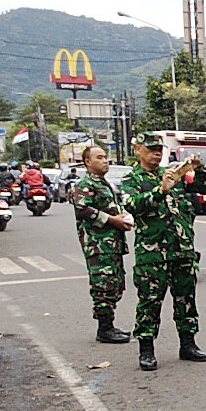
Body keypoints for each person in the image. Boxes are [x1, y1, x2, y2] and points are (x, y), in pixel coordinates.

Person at [122, 132, 206, 371]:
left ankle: (188, 343)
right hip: (152, 254)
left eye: (159, 149)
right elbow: (133, 205)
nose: (156, 153)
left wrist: (198, 168)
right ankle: (146, 349)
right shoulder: (132, 179)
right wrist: (161, 191)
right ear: (138, 150)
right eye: (150, 149)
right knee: (150, 302)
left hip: (182, 251)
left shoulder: (175, 175)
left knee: (186, 299)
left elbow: (204, 187)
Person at [72, 146, 133, 344]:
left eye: (106, 157)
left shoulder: (104, 184)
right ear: (88, 162)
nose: (105, 161)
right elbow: (82, 210)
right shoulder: (85, 183)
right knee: (102, 284)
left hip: (112, 243)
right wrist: (112, 220)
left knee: (114, 283)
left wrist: (123, 218)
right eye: (99, 158)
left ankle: (109, 325)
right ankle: (104, 328)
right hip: (98, 245)